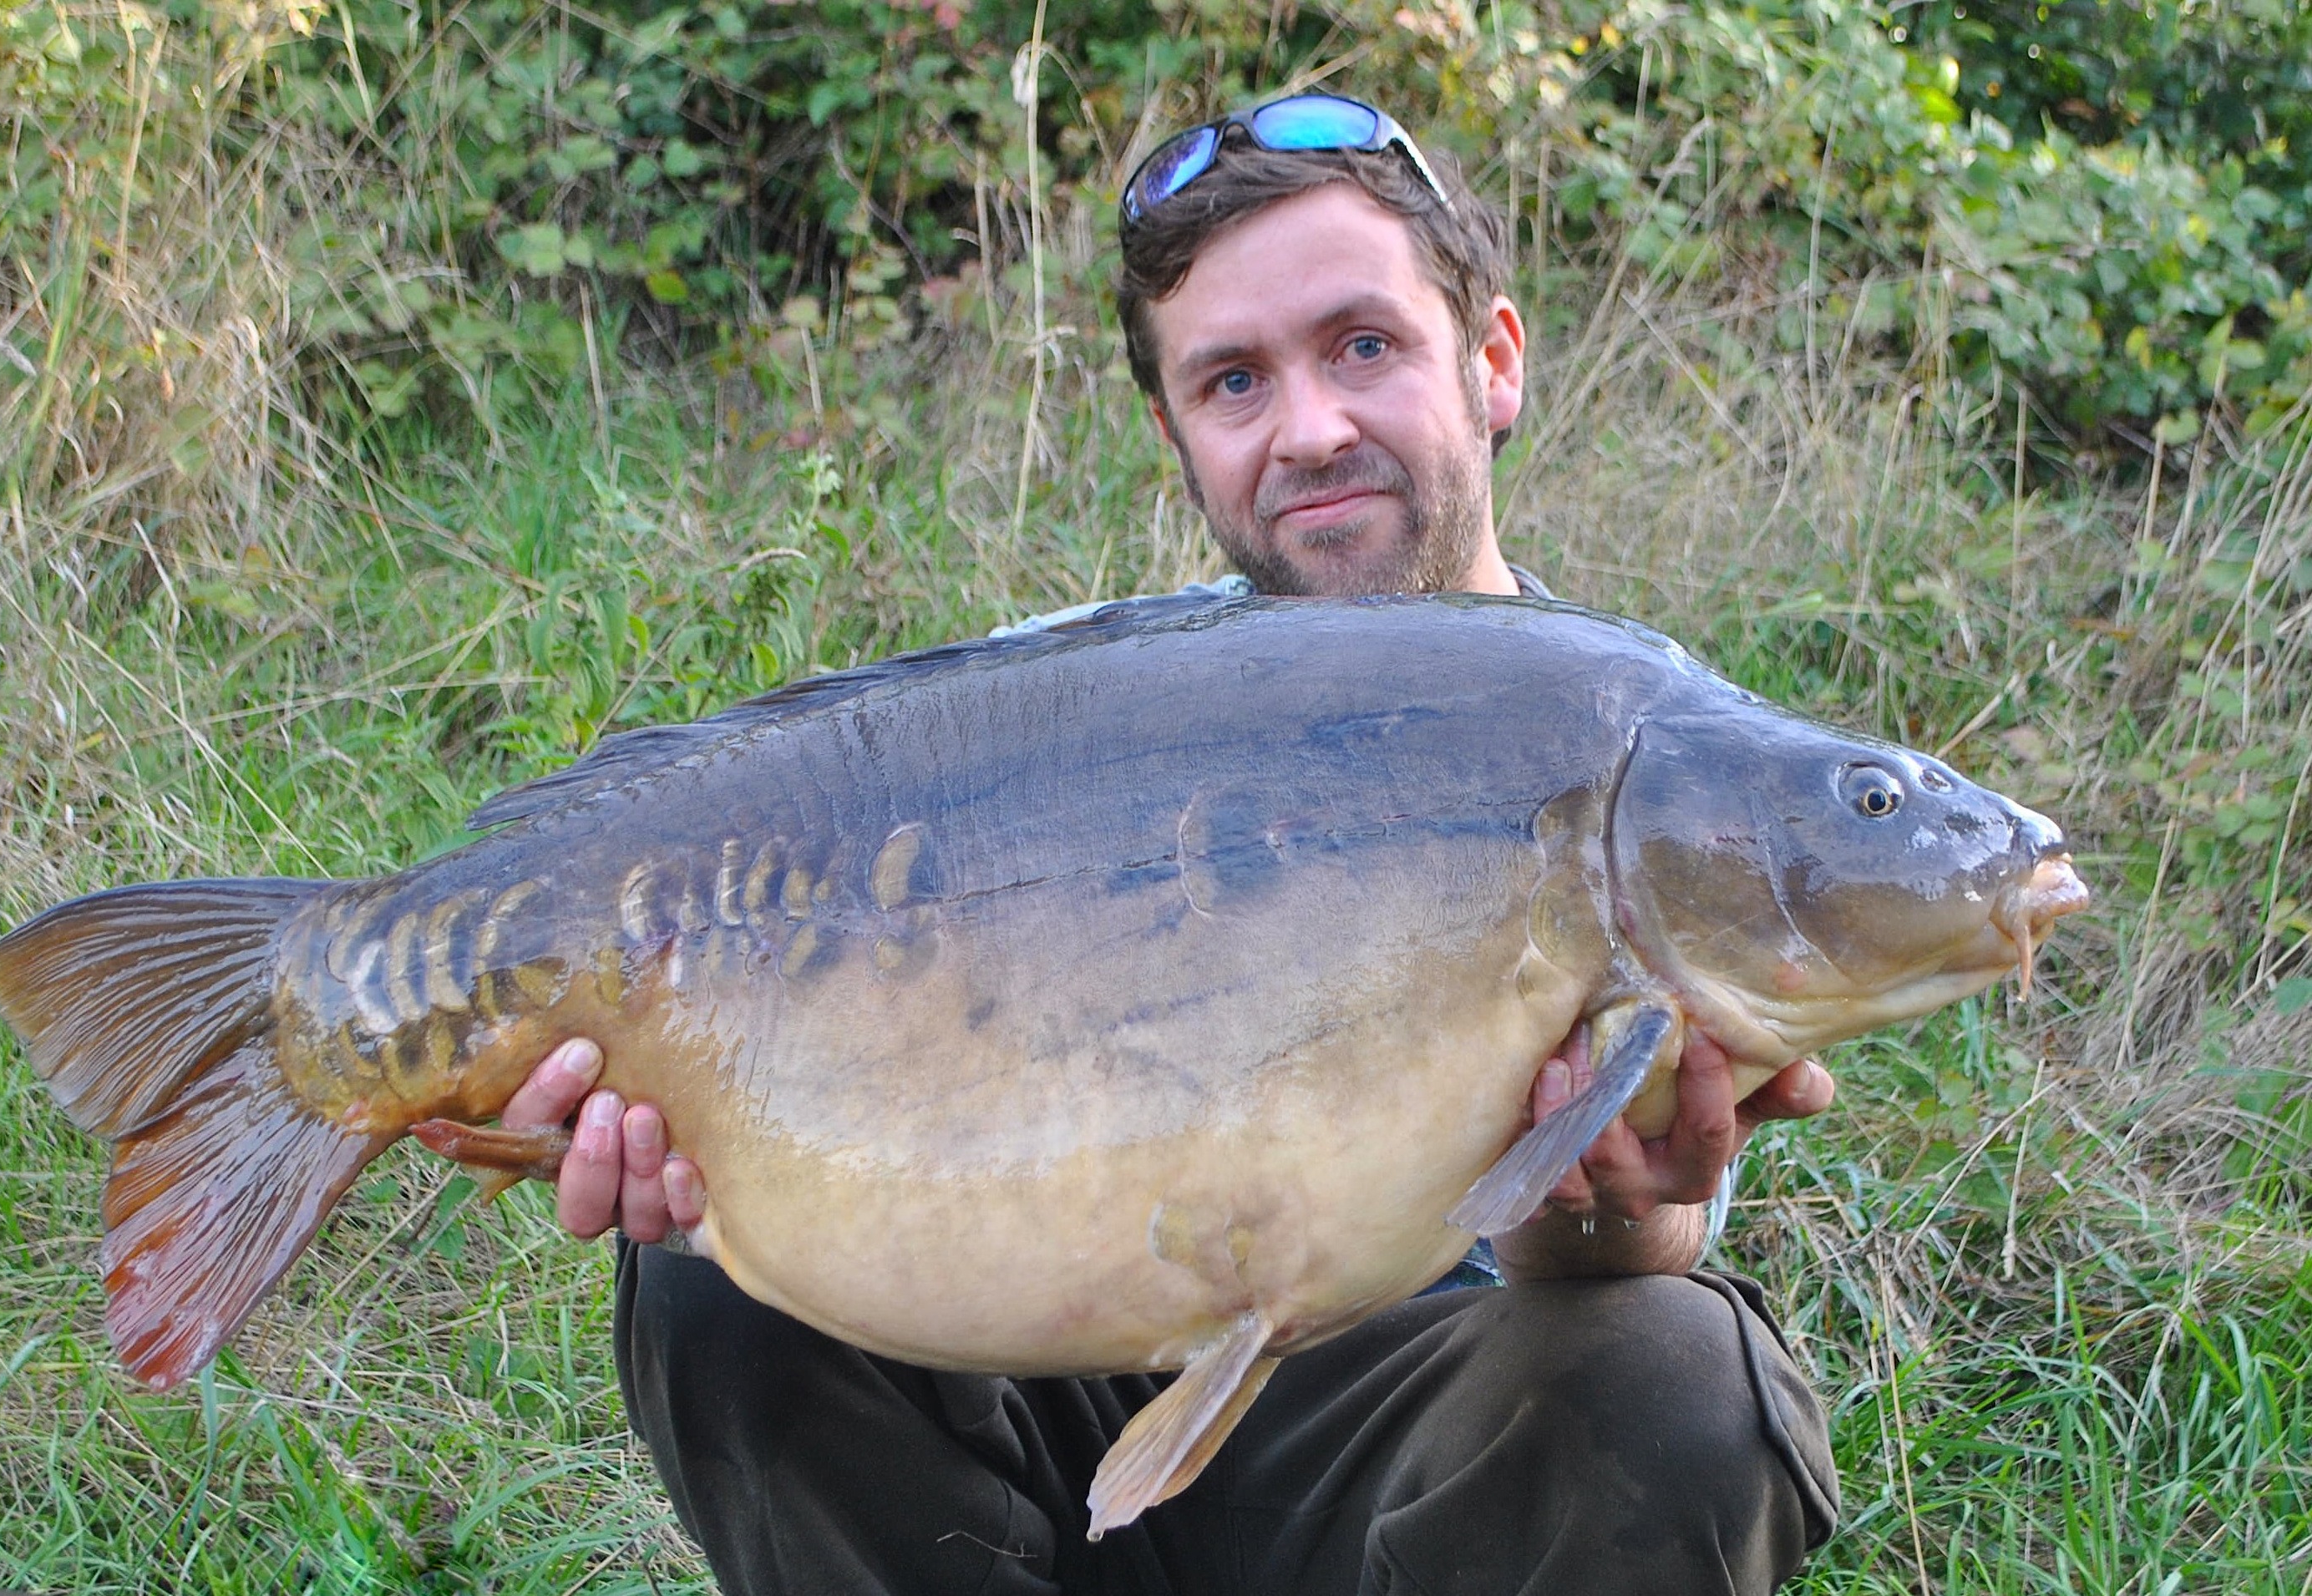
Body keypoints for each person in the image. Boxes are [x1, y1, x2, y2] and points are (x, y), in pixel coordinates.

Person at [498, 96, 1841, 1593]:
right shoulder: (1053, 701)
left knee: (1676, 1371)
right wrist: (676, 1115)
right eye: (1232, 382)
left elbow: (1641, 1236)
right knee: (711, 1288)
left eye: (1364, 346)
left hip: (1406, 1442)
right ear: (1179, 435)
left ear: (1492, 361)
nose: (1310, 428)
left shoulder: (1638, 737)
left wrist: (1603, 1219)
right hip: (1048, 1365)